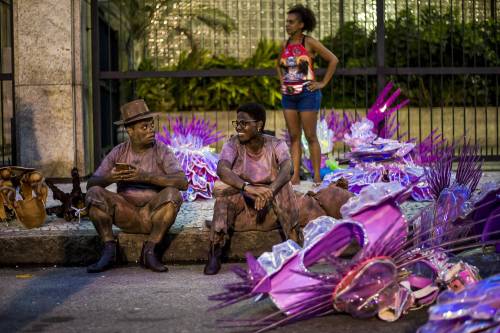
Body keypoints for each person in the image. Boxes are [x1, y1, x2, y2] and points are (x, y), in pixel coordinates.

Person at [85, 99, 188, 273]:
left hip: (153, 215)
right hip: (126, 214)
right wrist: (109, 178)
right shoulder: (119, 152)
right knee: (95, 193)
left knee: (173, 194)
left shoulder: (162, 150)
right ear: (130, 131)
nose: (151, 130)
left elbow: (182, 182)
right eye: (144, 127)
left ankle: (149, 250)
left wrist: (146, 176)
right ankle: (109, 249)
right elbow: (91, 184)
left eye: (151, 125)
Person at [204, 103, 300, 275]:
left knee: (285, 187)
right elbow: (222, 169)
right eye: (237, 123)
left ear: (259, 125)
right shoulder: (232, 144)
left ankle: (295, 248)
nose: (239, 127)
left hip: (270, 203)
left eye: (244, 123)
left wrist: (270, 190)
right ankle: (215, 252)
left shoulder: (276, 144)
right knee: (224, 195)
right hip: (244, 200)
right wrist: (248, 188)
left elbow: (288, 168)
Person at [278, 4, 339, 185]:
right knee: (294, 137)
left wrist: (323, 82)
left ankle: (317, 177)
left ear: (301, 25)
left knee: (311, 136)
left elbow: (333, 60)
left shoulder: (309, 42)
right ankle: (295, 176)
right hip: (288, 96)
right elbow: (278, 65)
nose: (287, 25)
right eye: (286, 22)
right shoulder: (285, 44)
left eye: (291, 22)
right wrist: (282, 81)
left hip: (308, 94)